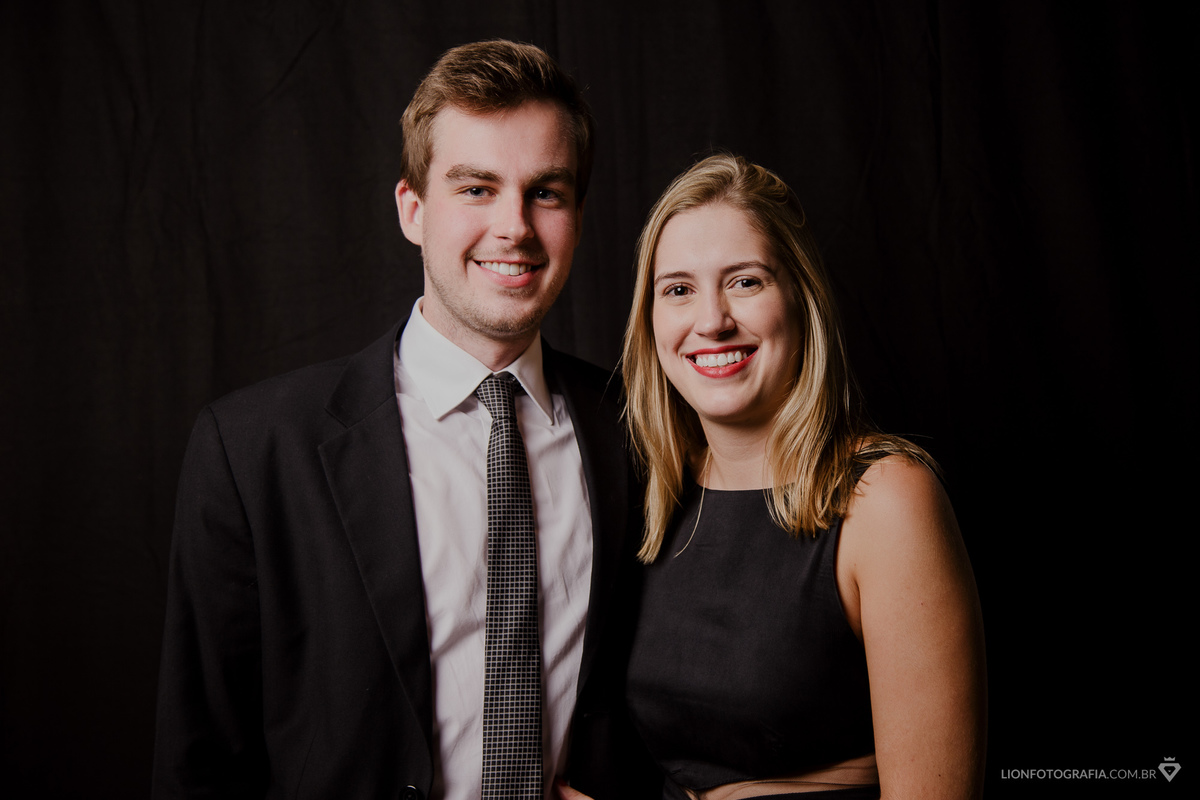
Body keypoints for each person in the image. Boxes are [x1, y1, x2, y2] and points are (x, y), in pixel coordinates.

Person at [153, 40, 656, 800]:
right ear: (412, 210)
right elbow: (200, 761)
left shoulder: (641, 429)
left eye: (546, 193)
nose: (514, 227)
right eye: (476, 188)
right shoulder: (254, 449)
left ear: (577, 219)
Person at [616, 155, 986, 800]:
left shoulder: (884, 499)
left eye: (745, 282)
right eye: (678, 289)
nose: (711, 320)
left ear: (801, 298)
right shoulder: (651, 496)